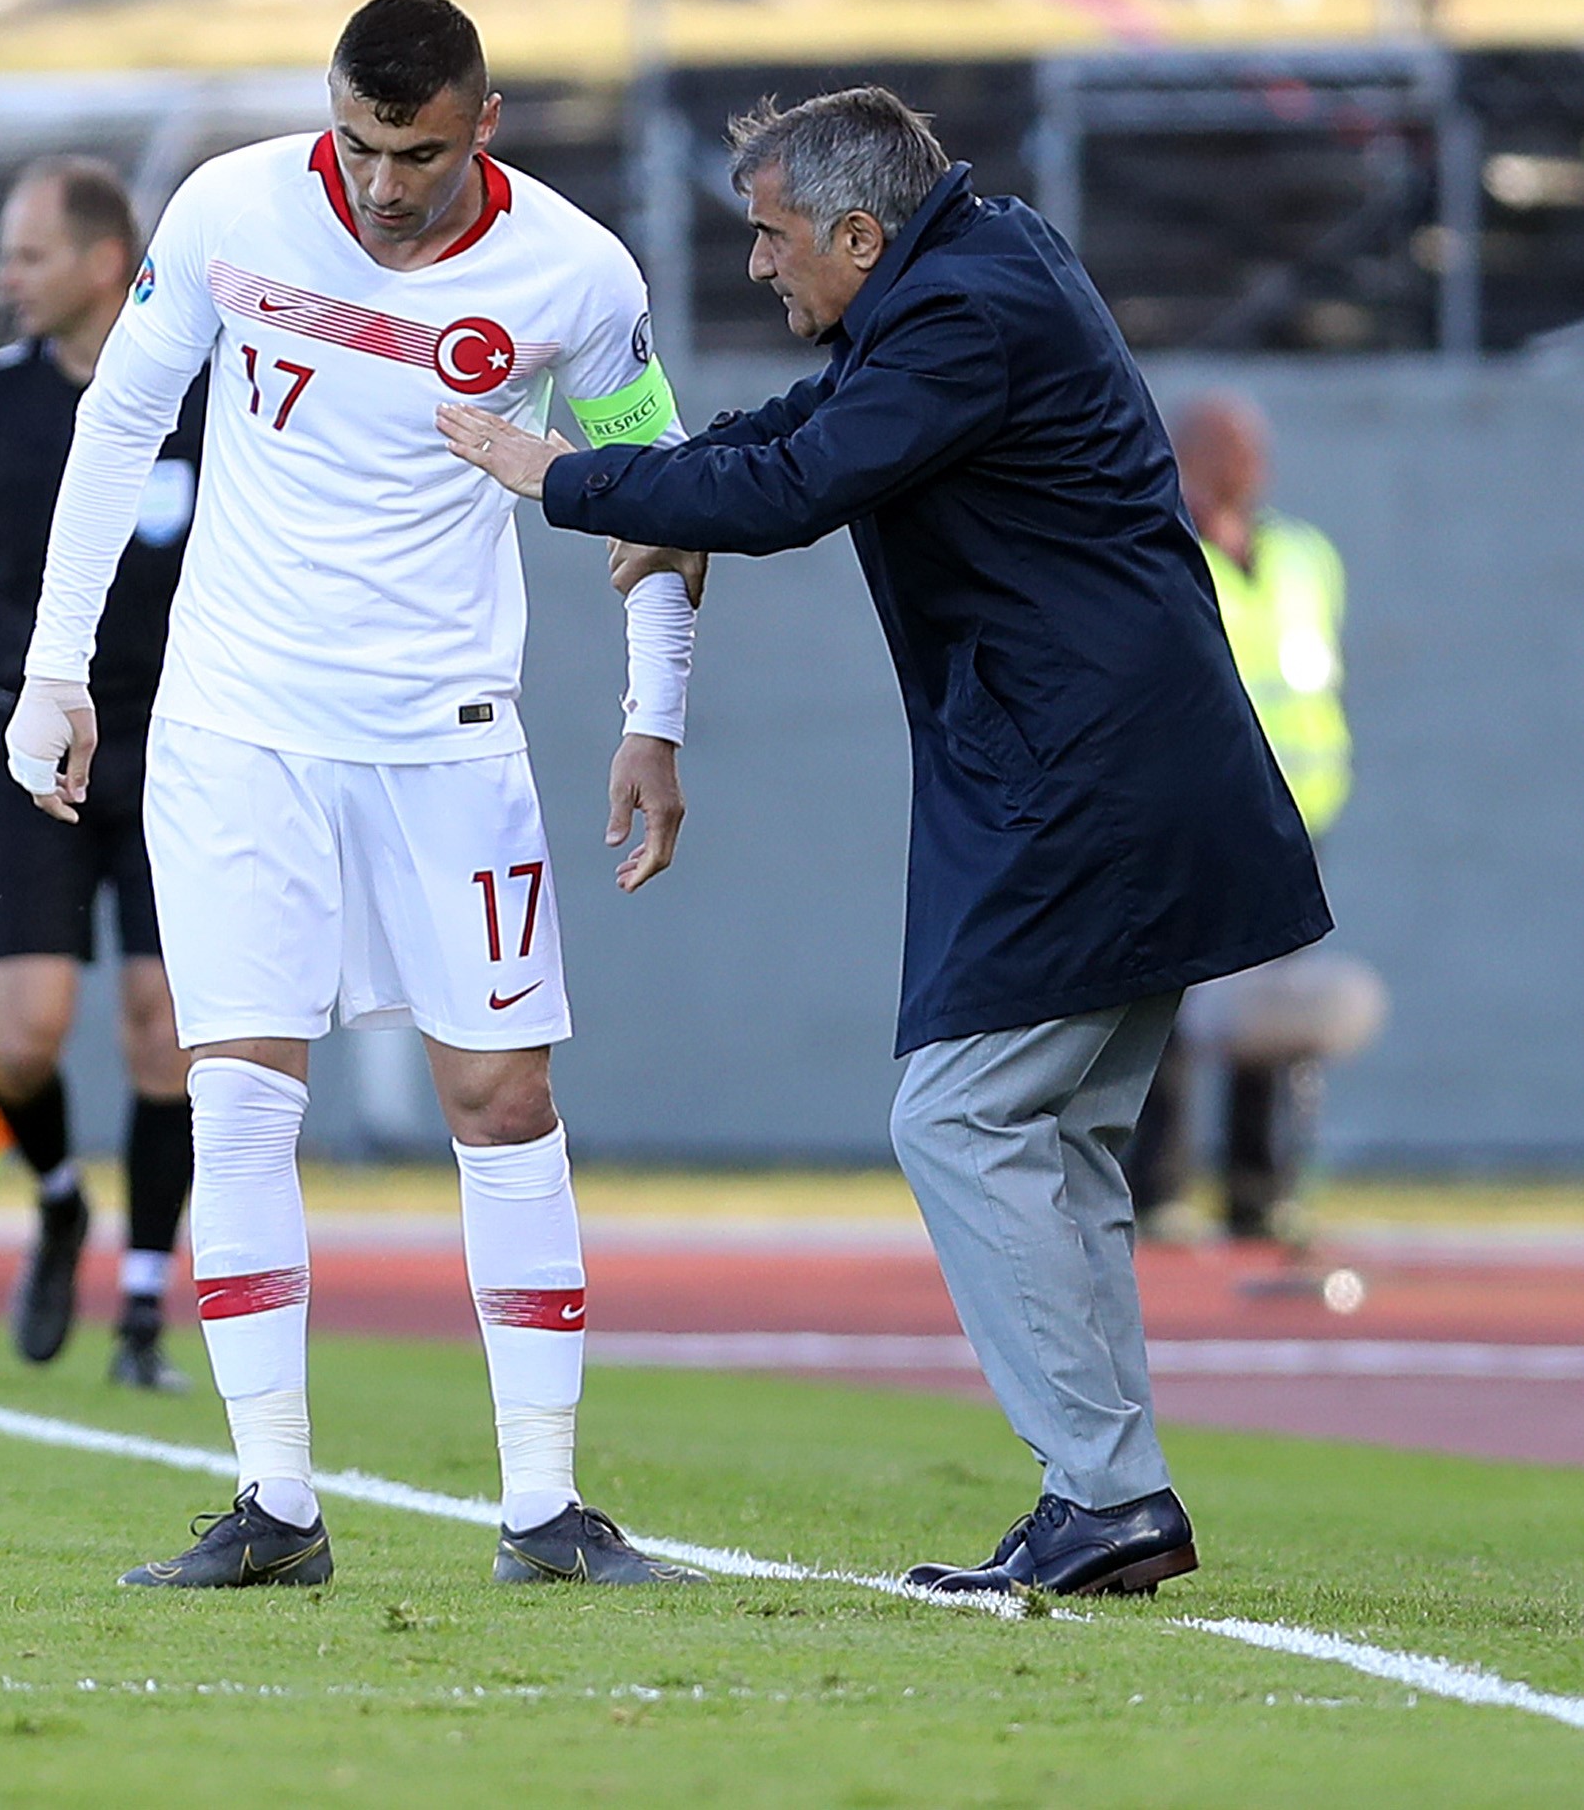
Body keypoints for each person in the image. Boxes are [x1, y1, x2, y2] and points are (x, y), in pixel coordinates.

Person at [442, 86, 1331, 1600]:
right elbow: (805, 428)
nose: (758, 267)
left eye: (773, 237)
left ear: (861, 231)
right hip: (1104, 767)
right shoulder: (973, 268)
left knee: (961, 1121)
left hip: (1087, 778)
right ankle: (1105, 1494)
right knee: (1054, 1142)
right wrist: (670, 492)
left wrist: (561, 473)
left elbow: (799, 484)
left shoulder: (962, 312)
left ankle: (1106, 1494)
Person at [6, 0, 705, 1592]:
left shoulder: (577, 278)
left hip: (449, 738)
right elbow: (120, 419)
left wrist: (652, 718)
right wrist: (55, 668)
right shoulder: (232, 206)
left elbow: (654, 501)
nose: (385, 183)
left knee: (502, 1100)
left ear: (486, 124)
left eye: (422, 151)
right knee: (242, 1096)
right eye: (361, 142)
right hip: (237, 725)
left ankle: (544, 1508)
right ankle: (275, 1505)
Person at [0, 157, 201, 1390]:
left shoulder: (202, 391)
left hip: (177, 741)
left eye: (28, 255)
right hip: (26, 746)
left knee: (165, 1032)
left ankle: (138, 1311)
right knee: (21, 1039)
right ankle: (63, 1199)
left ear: (101, 261)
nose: (6, 277)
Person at [1125, 393, 1385, 1245]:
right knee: (1168, 1002)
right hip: (1189, 813)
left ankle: (1257, 1187)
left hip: (1291, 823)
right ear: (1192, 456)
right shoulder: (1160, 551)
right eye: (1231, 449)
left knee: (1267, 1011)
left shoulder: (1307, 557)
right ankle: (1157, 1185)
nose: (1251, 466)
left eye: (1255, 450)